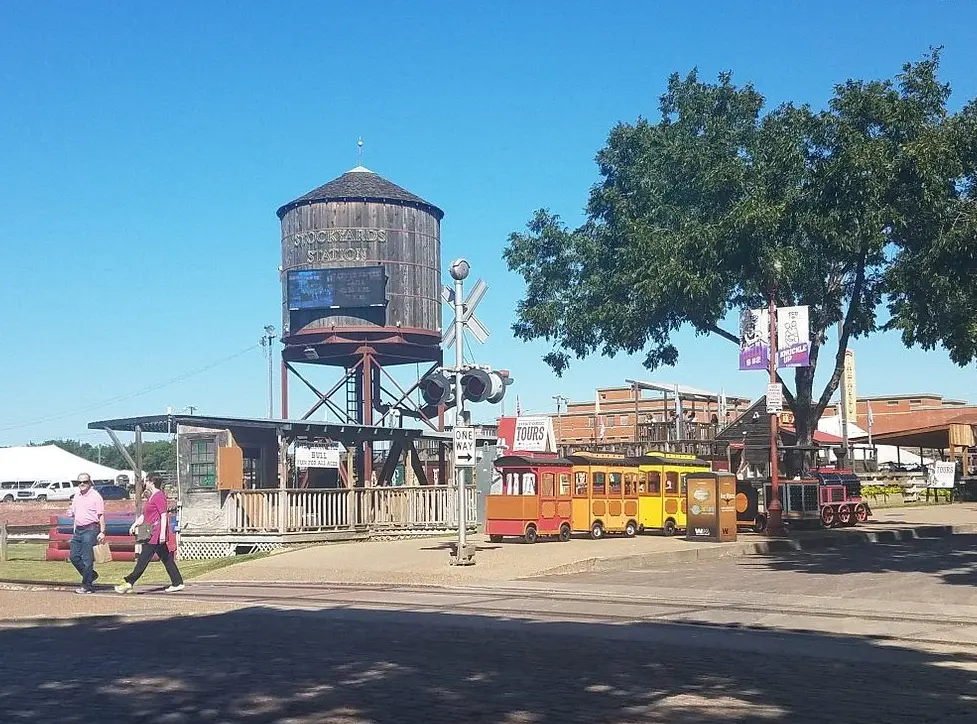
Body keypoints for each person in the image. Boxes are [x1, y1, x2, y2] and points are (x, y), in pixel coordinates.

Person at [115, 477, 184, 594]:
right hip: (151, 532)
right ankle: (177, 582)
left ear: (151, 483)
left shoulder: (159, 496)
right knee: (167, 559)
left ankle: (129, 582)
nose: (145, 483)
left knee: (143, 559)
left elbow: (163, 515)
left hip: (155, 534)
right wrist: (134, 524)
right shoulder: (151, 496)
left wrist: (162, 534)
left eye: (146, 481)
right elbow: (145, 515)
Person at [67, 472, 106, 594]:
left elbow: (101, 515)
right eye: (80, 482)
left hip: (90, 529)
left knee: (87, 559)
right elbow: (74, 512)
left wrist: (102, 531)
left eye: (85, 482)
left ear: (90, 483)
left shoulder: (96, 496)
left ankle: (86, 585)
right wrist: (71, 514)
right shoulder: (77, 496)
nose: (82, 484)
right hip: (78, 530)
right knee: (74, 557)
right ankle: (91, 575)